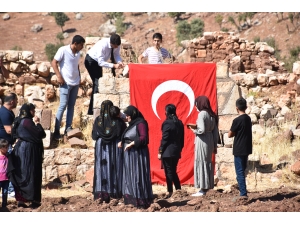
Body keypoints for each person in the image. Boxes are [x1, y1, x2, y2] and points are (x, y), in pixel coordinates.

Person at [7, 103, 46, 208]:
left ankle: (21, 200)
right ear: (28, 111)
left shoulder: (18, 121)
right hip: (28, 151)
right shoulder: (27, 122)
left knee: (21, 173)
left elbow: (13, 135)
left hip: (20, 149)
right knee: (30, 173)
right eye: (33, 110)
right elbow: (40, 134)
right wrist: (38, 123)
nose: (34, 112)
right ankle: (33, 199)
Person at [51, 35, 86, 140]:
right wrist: (58, 76)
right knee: (62, 106)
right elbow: (54, 62)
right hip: (65, 83)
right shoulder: (63, 50)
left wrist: (79, 77)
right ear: (75, 43)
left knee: (71, 106)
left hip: (75, 83)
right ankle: (56, 130)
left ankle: (68, 128)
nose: (82, 47)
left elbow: (76, 66)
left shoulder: (78, 53)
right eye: (81, 45)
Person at [118, 105, 153, 208]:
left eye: (128, 115)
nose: (127, 117)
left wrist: (131, 144)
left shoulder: (141, 123)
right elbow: (128, 135)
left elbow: (143, 137)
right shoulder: (131, 124)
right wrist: (122, 141)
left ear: (133, 114)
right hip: (129, 154)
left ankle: (140, 199)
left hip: (137, 154)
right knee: (129, 175)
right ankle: (131, 198)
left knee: (137, 175)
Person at [92, 101, 127, 203]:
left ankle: (103, 192)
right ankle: (115, 192)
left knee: (102, 168)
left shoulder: (98, 120)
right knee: (114, 167)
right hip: (115, 147)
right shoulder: (118, 121)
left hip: (101, 147)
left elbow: (94, 136)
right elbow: (123, 134)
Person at [85, 34, 124, 115]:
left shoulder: (116, 45)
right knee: (97, 83)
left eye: (118, 46)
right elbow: (101, 62)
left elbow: (116, 54)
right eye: (115, 46)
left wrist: (120, 62)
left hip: (97, 63)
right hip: (91, 61)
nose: (116, 48)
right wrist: (113, 65)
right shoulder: (102, 45)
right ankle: (92, 111)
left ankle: (94, 109)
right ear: (111, 43)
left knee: (98, 84)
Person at [187, 96, 219, 197]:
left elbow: (201, 130)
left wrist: (193, 130)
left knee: (201, 162)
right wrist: (214, 145)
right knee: (207, 162)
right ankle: (207, 185)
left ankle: (202, 188)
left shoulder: (202, 114)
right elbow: (215, 132)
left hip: (203, 140)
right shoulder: (212, 114)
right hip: (209, 141)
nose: (196, 106)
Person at [158, 104, 184, 198]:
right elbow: (182, 139)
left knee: (169, 171)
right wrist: (179, 149)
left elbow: (165, 138)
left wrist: (160, 150)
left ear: (167, 112)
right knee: (173, 171)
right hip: (176, 150)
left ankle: (170, 191)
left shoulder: (167, 123)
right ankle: (178, 189)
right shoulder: (180, 122)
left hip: (167, 151)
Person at [228, 97, 252, 198]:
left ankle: (243, 193)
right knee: (243, 170)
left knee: (239, 172)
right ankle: (242, 191)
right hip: (246, 147)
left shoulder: (236, 120)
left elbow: (230, 134)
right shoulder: (248, 118)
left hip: (238, 148)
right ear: (246, 107)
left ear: (237, 108)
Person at [0, 92, 18, 198]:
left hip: (6, 144)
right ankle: (10, 190)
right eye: (16, 100)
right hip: (5, 145)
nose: (16, 102)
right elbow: (8, 130)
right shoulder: (5, 113)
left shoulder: (7, 111)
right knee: (9, 167)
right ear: (12, 101)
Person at [0, 139, 9, 208]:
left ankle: (4, 205)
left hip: (6, 178)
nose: (6, 149)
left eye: (7, 147)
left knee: (5, 192)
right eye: (4, 147)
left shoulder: (8, 156)